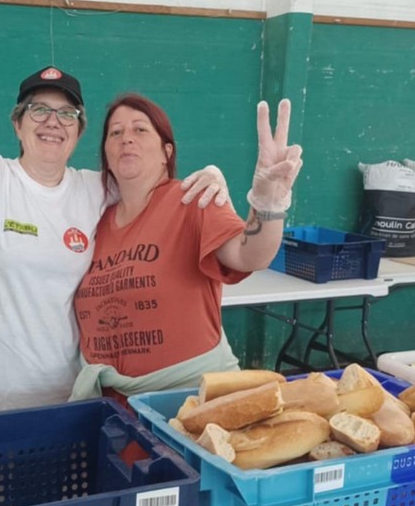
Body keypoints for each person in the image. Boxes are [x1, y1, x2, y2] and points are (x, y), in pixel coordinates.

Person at [0, 0, 230, 417]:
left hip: (65, 402)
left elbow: (152, 180)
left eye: (67, 114)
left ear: (79, 131)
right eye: (38, 110)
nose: (52, 122)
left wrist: (210, 179)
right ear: (17, 124)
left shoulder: (97, 189)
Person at [69, 93, 302, 407]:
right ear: (106, 156)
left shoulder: (194, 199)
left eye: (140, 129)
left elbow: (250, 255)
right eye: (116, 132)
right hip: (113, 408)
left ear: (167, 152)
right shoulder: (95, 221)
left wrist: (267, 204)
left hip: (190, 405)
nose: (127, 139)